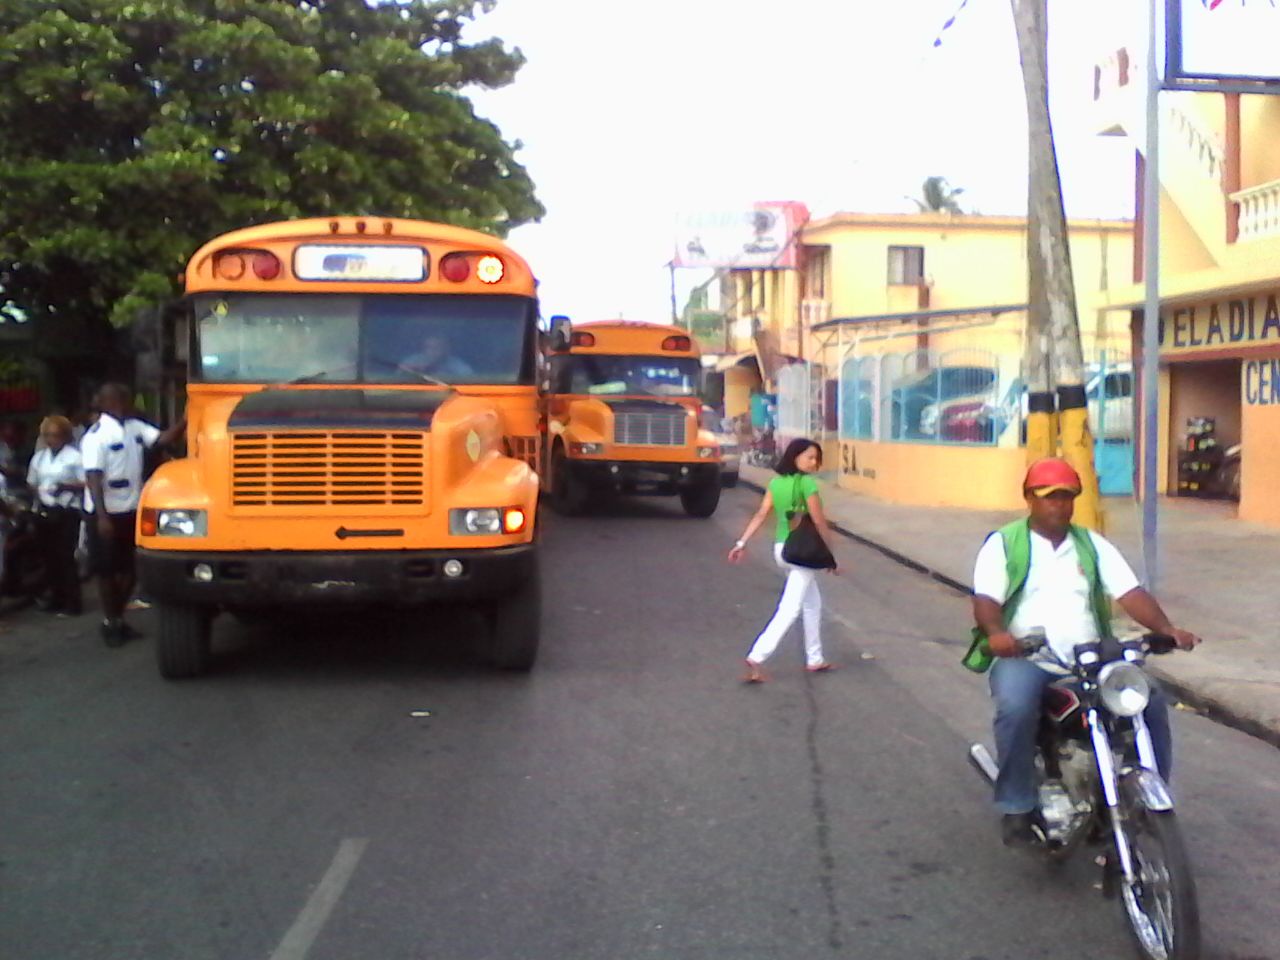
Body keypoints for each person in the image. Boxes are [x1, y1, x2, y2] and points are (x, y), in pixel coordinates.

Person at [971, 457, 1201, 846]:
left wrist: (1166, 629)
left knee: (1149, 699)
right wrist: (996, 633)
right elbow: (986, 599)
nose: (1058, 505)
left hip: (1092, 657)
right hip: (1029, 658)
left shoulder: (1091, 544)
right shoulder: (1005, 543)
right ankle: (1016, 804)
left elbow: (1130, 593)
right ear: (1029, 498)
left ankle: (1147, 794)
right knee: (1015, 707)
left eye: (1066, 497)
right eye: (1049, 498)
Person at [81, 383, 185, 646]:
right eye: (120, 399)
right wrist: (102, 517)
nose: (125, 403)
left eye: (125, 399)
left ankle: (114, 618)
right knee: (106, 571)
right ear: (107, 403)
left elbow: (162, 439)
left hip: (133, 508)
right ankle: (113, 621)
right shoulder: (96, 436)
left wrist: (186, 420)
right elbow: (94, 477)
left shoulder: (135, 427)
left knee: (132, 568)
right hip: (105, 512)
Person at [728, 438, 839, 682]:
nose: (814, 463)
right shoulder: (807, 484)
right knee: (789, 609)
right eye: (810, 457)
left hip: (781, 549)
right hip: (801, 552)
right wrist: (831, 557)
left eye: (816, 459)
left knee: (812, 604)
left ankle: (815, 658)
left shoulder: (776, 483)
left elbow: (760, 515)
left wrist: (741, 543)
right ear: (795, 456)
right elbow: (819, 522)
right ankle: (757, 656)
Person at [27, 415, 85, 616]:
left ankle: (72, 602)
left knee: (65, 557)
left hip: (67, 511)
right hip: (45, 510)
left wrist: (65, 486)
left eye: (56, 435)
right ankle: (56, 597)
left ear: (65, 436)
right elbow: (32, 482)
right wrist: (39, 494)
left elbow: (87, 482)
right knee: (49, 557)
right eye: (48, 436)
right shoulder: (40, 458)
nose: (52, 440)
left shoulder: (75, 457)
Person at [400, 332, 474, 380]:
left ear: (446, 349)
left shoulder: (458, 367)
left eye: (436, 347)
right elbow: (399, 378)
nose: (432, 351)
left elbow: (470, 380)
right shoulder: (412, 361)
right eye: (428, 347)